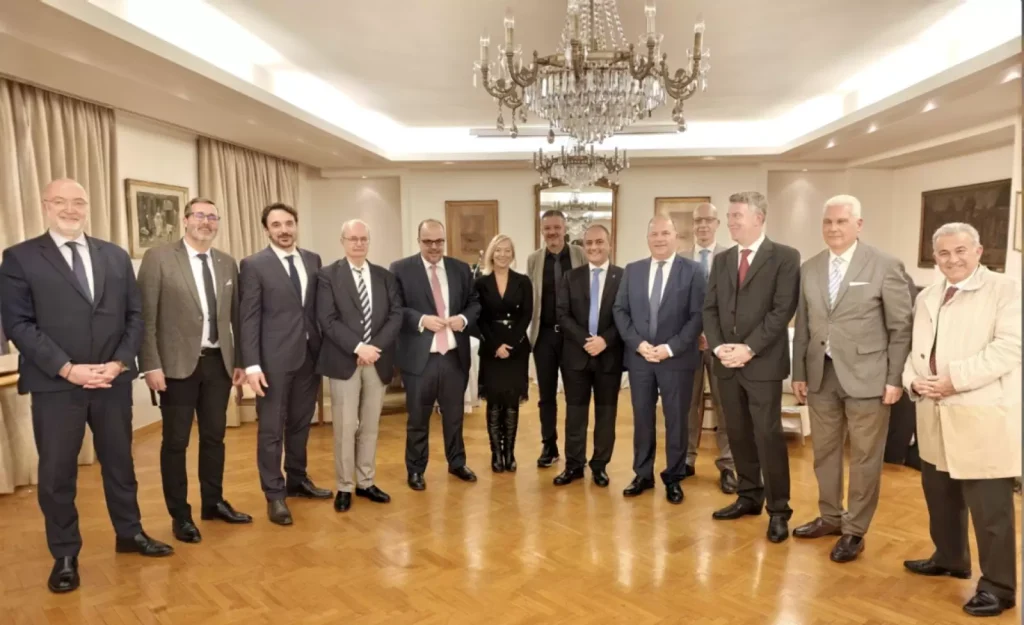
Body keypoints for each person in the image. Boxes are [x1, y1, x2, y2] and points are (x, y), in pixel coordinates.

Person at [0, 178, 173, 594]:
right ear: (45, 205)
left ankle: (129, 533)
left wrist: (118, 363)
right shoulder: (20, 258)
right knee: (57, 473)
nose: (70, 209)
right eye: (60, 201)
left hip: (112, 381)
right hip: (56, 385)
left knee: (120, 464)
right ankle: (64, 554)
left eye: (78, 201)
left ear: (88, 206)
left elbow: (135, 316)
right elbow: (18, 324)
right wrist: (68, 369)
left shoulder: (114, 256)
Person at [902, 222, 1020, 618]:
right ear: (935, 257)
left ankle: (999, 587)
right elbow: (916, 351)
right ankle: (950, 557)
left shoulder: (1006, 290)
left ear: (979, 251)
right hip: (933, 412)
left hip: (980, 416)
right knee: (941, 498)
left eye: (960, 251)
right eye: (944, 253)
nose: (952, 259)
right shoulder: (928, 296)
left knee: (991, 511)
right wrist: (912, 380)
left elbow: (1009, 348)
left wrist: (954, 379)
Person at [790, 195, 912, 563]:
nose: (833, 228)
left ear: (858, 225)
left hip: (869, 378)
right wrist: (799, 372)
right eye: (828, 222)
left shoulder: (885, 265)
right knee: (824, 453)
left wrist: (894, 378)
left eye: (841, 221)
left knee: (864, 458)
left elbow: (901, 327)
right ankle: (830, 516)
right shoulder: (810, 268)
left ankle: (855, 529)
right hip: (821, 376)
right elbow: (804, 325)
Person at [137, 197, 252, 544]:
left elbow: (237, 318)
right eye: (199, 215)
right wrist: (150, 364)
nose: (206, 222)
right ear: (185, 220)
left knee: (215, 437)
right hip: (175, 367)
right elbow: (145, 317)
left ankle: (213, 503)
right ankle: (180, 515)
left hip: (218, 364)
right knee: (176, 442)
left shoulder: (227, 263)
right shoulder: (158, 258)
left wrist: (240, 360)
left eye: (212, 217)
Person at [703, 191, 800, 543]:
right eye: (729, 216)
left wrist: (749, 348)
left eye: (736, 216)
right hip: (726, 363)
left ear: (758, 218)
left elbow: (782, 310)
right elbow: (710, 308)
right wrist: (719, 348)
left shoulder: (785, 257)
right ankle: (748, 496)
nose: (730, 222)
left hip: (762, 364)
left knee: (767, 436)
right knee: (738, 433)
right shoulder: (723, 260)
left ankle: (779, 510)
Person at [239, 202, 331, 526]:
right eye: (276, 225)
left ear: (296, 225)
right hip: (272, 362)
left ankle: (297, 480)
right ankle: (274, 494)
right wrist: (252, 365)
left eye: (289, 223)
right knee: (270, 430)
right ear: (267, 229)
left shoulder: (313, 259)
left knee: (300, 424)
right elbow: (248, 318)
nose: (284, 230)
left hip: (309, 357)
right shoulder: (253, 265)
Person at [613, 215, 705, 504]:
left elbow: (697, 316)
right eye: (654, 234)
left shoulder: (693, 271)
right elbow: (620, 310)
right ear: (647, 238)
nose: (659, 239)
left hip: (676, 359)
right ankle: (643, 474)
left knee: (676, 420)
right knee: (642, 418)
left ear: (676, 236)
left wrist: (670, 348)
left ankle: (674, 477)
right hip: (640, 359)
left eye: (665, 233)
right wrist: (638, 345)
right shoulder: (633, 270)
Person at [316, 219, 402, 513]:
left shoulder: (384, 276)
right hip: (344, 360)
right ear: (342, 241)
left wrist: (373, 348)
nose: (358, 243)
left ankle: (366, 482)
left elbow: (396, 315)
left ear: (369, 241)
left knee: (370, 425)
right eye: (352, 238)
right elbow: (327, 319)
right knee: (345, 426)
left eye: (363, 238)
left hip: (377, 360)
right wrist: (358, 347)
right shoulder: (327, 276)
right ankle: (344, 486)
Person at [389, 219, 481, 491]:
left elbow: (474, 303)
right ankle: (416, 469)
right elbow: (396, 308)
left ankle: (457, 462)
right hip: (420, 359)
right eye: (428, 241)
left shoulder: (460, 268)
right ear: (418, 241)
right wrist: (421, 320)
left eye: (439, 241)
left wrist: (464, 319)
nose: (434, 247)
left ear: (444, 241)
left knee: (454, 417)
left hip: (453, 356)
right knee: (418, 418)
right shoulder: (401, 269)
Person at [553, 224, 624, 487]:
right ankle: (574, 465)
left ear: (609, 244)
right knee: (575, 415)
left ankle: (600, 466)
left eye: (599, 242)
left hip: (609, 357)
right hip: (576, 357)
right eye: (589, 243)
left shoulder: (623, 277)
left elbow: (626, 316)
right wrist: (587, 341)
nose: (594, 247)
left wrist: (605, 340)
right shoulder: (571, 277)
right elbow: (562, 314)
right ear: (583, 247)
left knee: (606, 415)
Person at [526, 210, 586, 468]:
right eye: (547, 228)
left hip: (574, 338)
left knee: (576, 396)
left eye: (556, 227)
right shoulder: (534, 260)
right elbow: (531, 297)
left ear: (565, 228)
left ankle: (576, 451)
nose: (552, 233)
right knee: (546, 396)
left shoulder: (580, 254)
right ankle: (549, 446)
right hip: (545, 336)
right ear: (542, 231)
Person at [685, 202, 737, 494]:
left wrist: (713, 336)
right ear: (692, 225)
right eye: (698, 221)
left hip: (722, 346)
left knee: (725, 406)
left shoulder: (731, 258)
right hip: (687, 345)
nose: (703, 225)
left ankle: (728, 465)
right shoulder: (680, 259)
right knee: (686, 405)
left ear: (718, 224)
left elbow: (735, 305)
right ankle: (686, 459)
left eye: (708, 220)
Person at [474, 234, 532, 473]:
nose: (503, 255)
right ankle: (496, 454)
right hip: (491, 349)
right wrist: (496, 345)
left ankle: (509, 453)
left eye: (507, 250)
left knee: (511, 402)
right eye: (498, 250)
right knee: (494, 403)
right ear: (491, 253)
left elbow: (526, 315)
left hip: (516, 349)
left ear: (513, 254)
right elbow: (479, 318)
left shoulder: (523, 281)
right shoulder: (480, 283)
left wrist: (510, 344)